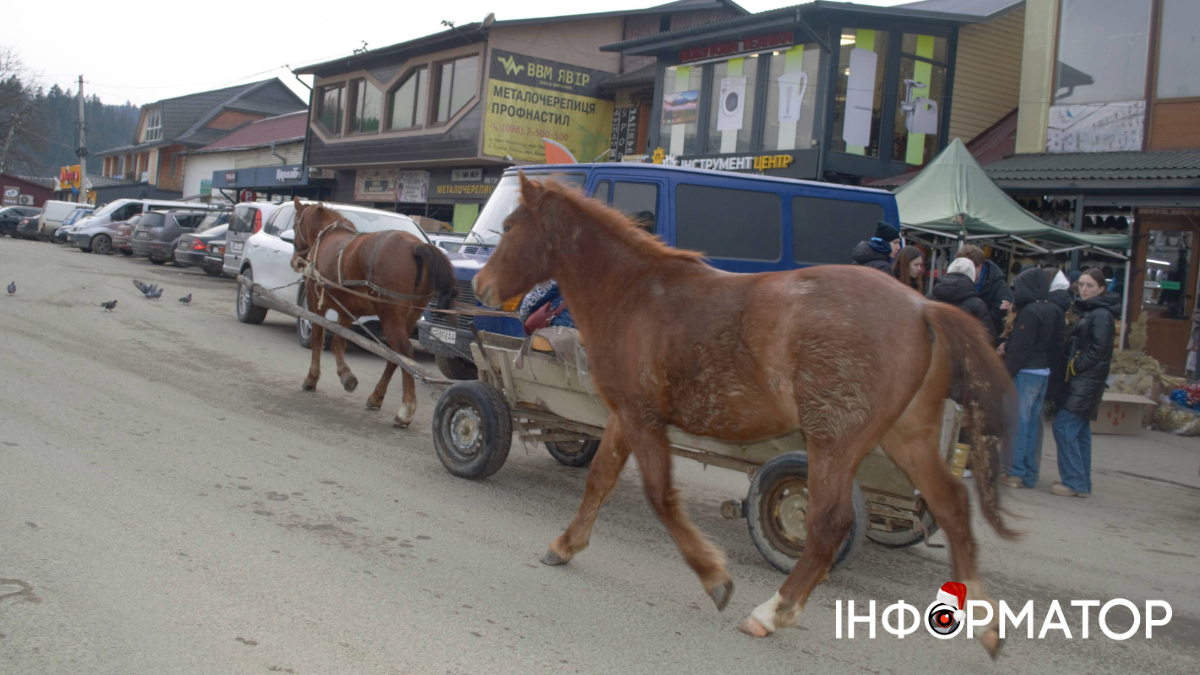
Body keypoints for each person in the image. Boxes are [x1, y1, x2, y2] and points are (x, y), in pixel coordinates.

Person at [1051, 269, 1120, 498]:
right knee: (1079, 433)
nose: (1084, 289)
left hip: (1085, 382)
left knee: (1064, 427)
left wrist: (1075, 366)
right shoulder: (1093, 311)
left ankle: (1074, 483)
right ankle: (1081, 482)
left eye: (1090, 285)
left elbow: (1099, 350)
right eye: (1081, 284)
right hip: (1084, 382)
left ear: (1101, 288)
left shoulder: (1100, 314)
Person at [1000, 267, 1065, 489]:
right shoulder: (1054, 310)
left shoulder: (1029, 311)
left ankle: (1013, 472)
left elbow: (1021, 349)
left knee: (1017, 422)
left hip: (1025, 372)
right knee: (1033, 425)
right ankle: (1029, 473)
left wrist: (1004, 374)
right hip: (1043, 373)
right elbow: (1055, 346)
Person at [929, 258, 995, 337]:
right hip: (966, 348)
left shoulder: (930, 298)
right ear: (972, 275)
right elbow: (990, 336)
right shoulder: (977, 304)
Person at [955, 245, 1013, 333]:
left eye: (969, 268)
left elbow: (999, 317)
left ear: (980, 267)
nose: (965, 271)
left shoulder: (998, 285)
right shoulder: (958, 280)